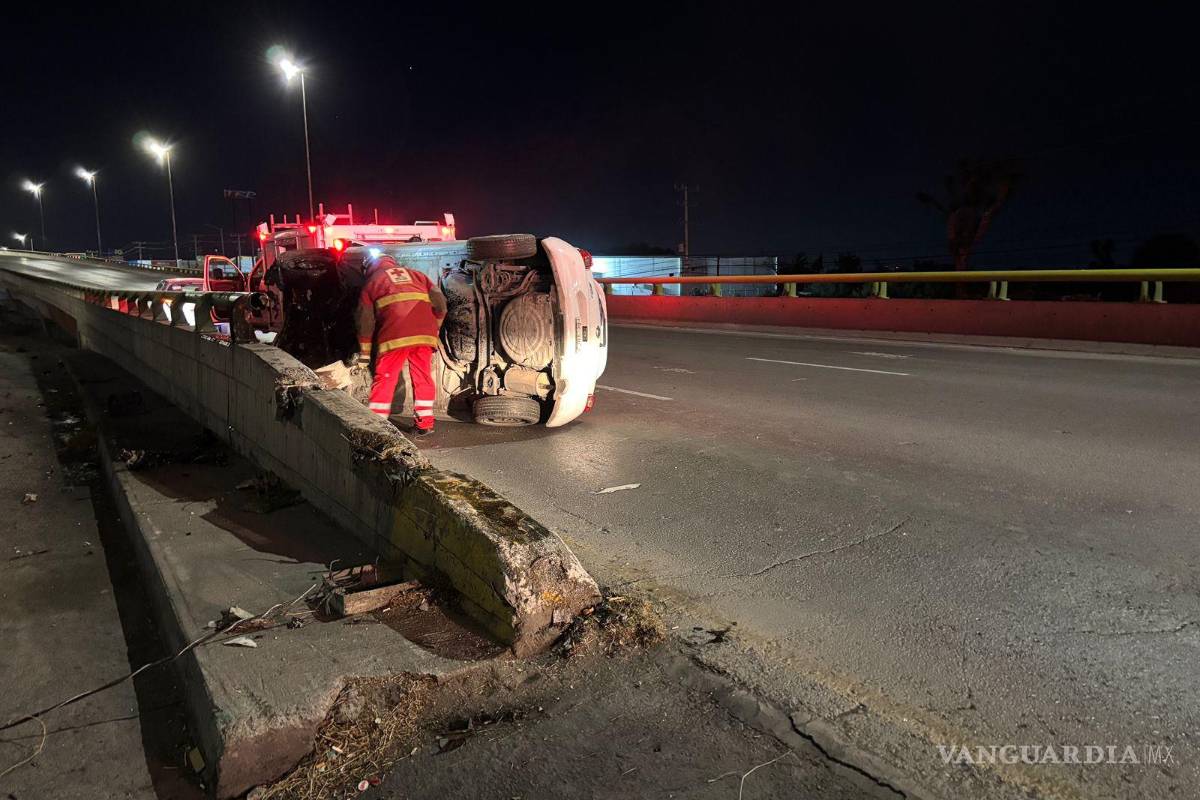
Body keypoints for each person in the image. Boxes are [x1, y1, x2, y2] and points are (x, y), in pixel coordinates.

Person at [355, 254, 447, 434]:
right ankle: (425, 424)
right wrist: (433, 329)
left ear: (369, 267)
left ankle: (377, 427)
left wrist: (364, 354)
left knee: (386, 378)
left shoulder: (372, 281)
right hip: (425, 335)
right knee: (423, 376)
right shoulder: (417, 274)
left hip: (394, 335)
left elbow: (364, 322)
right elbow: (441, 305)